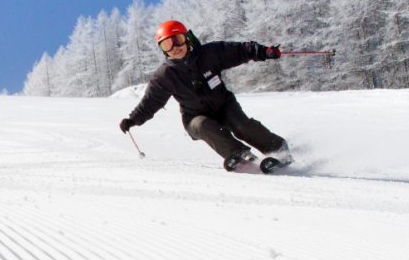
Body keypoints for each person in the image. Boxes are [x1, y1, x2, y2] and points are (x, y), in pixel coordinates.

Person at [119, 20, 292, 171]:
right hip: (194, 116)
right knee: (202, 125)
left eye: (177, 40)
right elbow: (151, 102)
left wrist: (263, 51)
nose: (175, 48)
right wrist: (132, 119)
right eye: (167, 45)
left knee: (241, 125)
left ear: (187, 39)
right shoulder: (165, 75)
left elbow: (238, 51)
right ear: (163, 50)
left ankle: (278, 149)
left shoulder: (209, 54)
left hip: (224, 105)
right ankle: (239, 155)